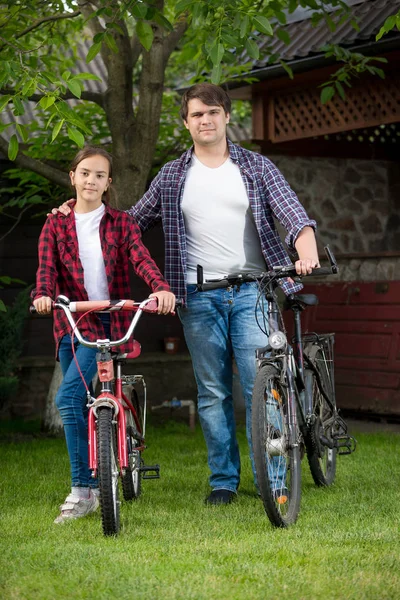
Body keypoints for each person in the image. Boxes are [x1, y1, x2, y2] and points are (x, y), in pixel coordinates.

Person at [55, 83, 319, 506]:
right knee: (212, 393)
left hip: (254, 291)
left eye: (212, 112)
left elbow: (293, 214)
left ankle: (274, 479)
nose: (205, 120)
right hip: (198, 297)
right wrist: (77, 213)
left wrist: (305, 251)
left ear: (227, 117)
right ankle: (223, 482)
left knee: (259, 386)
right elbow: (127, 224)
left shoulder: (256, 167)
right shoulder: (173, 175)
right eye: (196, 114)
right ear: (186, 122)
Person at [33, 146, 175, 524]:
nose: (91, 180)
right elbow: (45, 271)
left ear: (108, 183)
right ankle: (96, 465)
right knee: (77, 400)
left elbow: (141, 258)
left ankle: (84, 490)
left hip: (110, 319)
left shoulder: (121, 223)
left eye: (99, 175)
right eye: (84, 173)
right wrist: (43, 297)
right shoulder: (55, 224)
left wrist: (160, 288)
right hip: (72, 323)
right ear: (73, 177)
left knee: (68, 396)